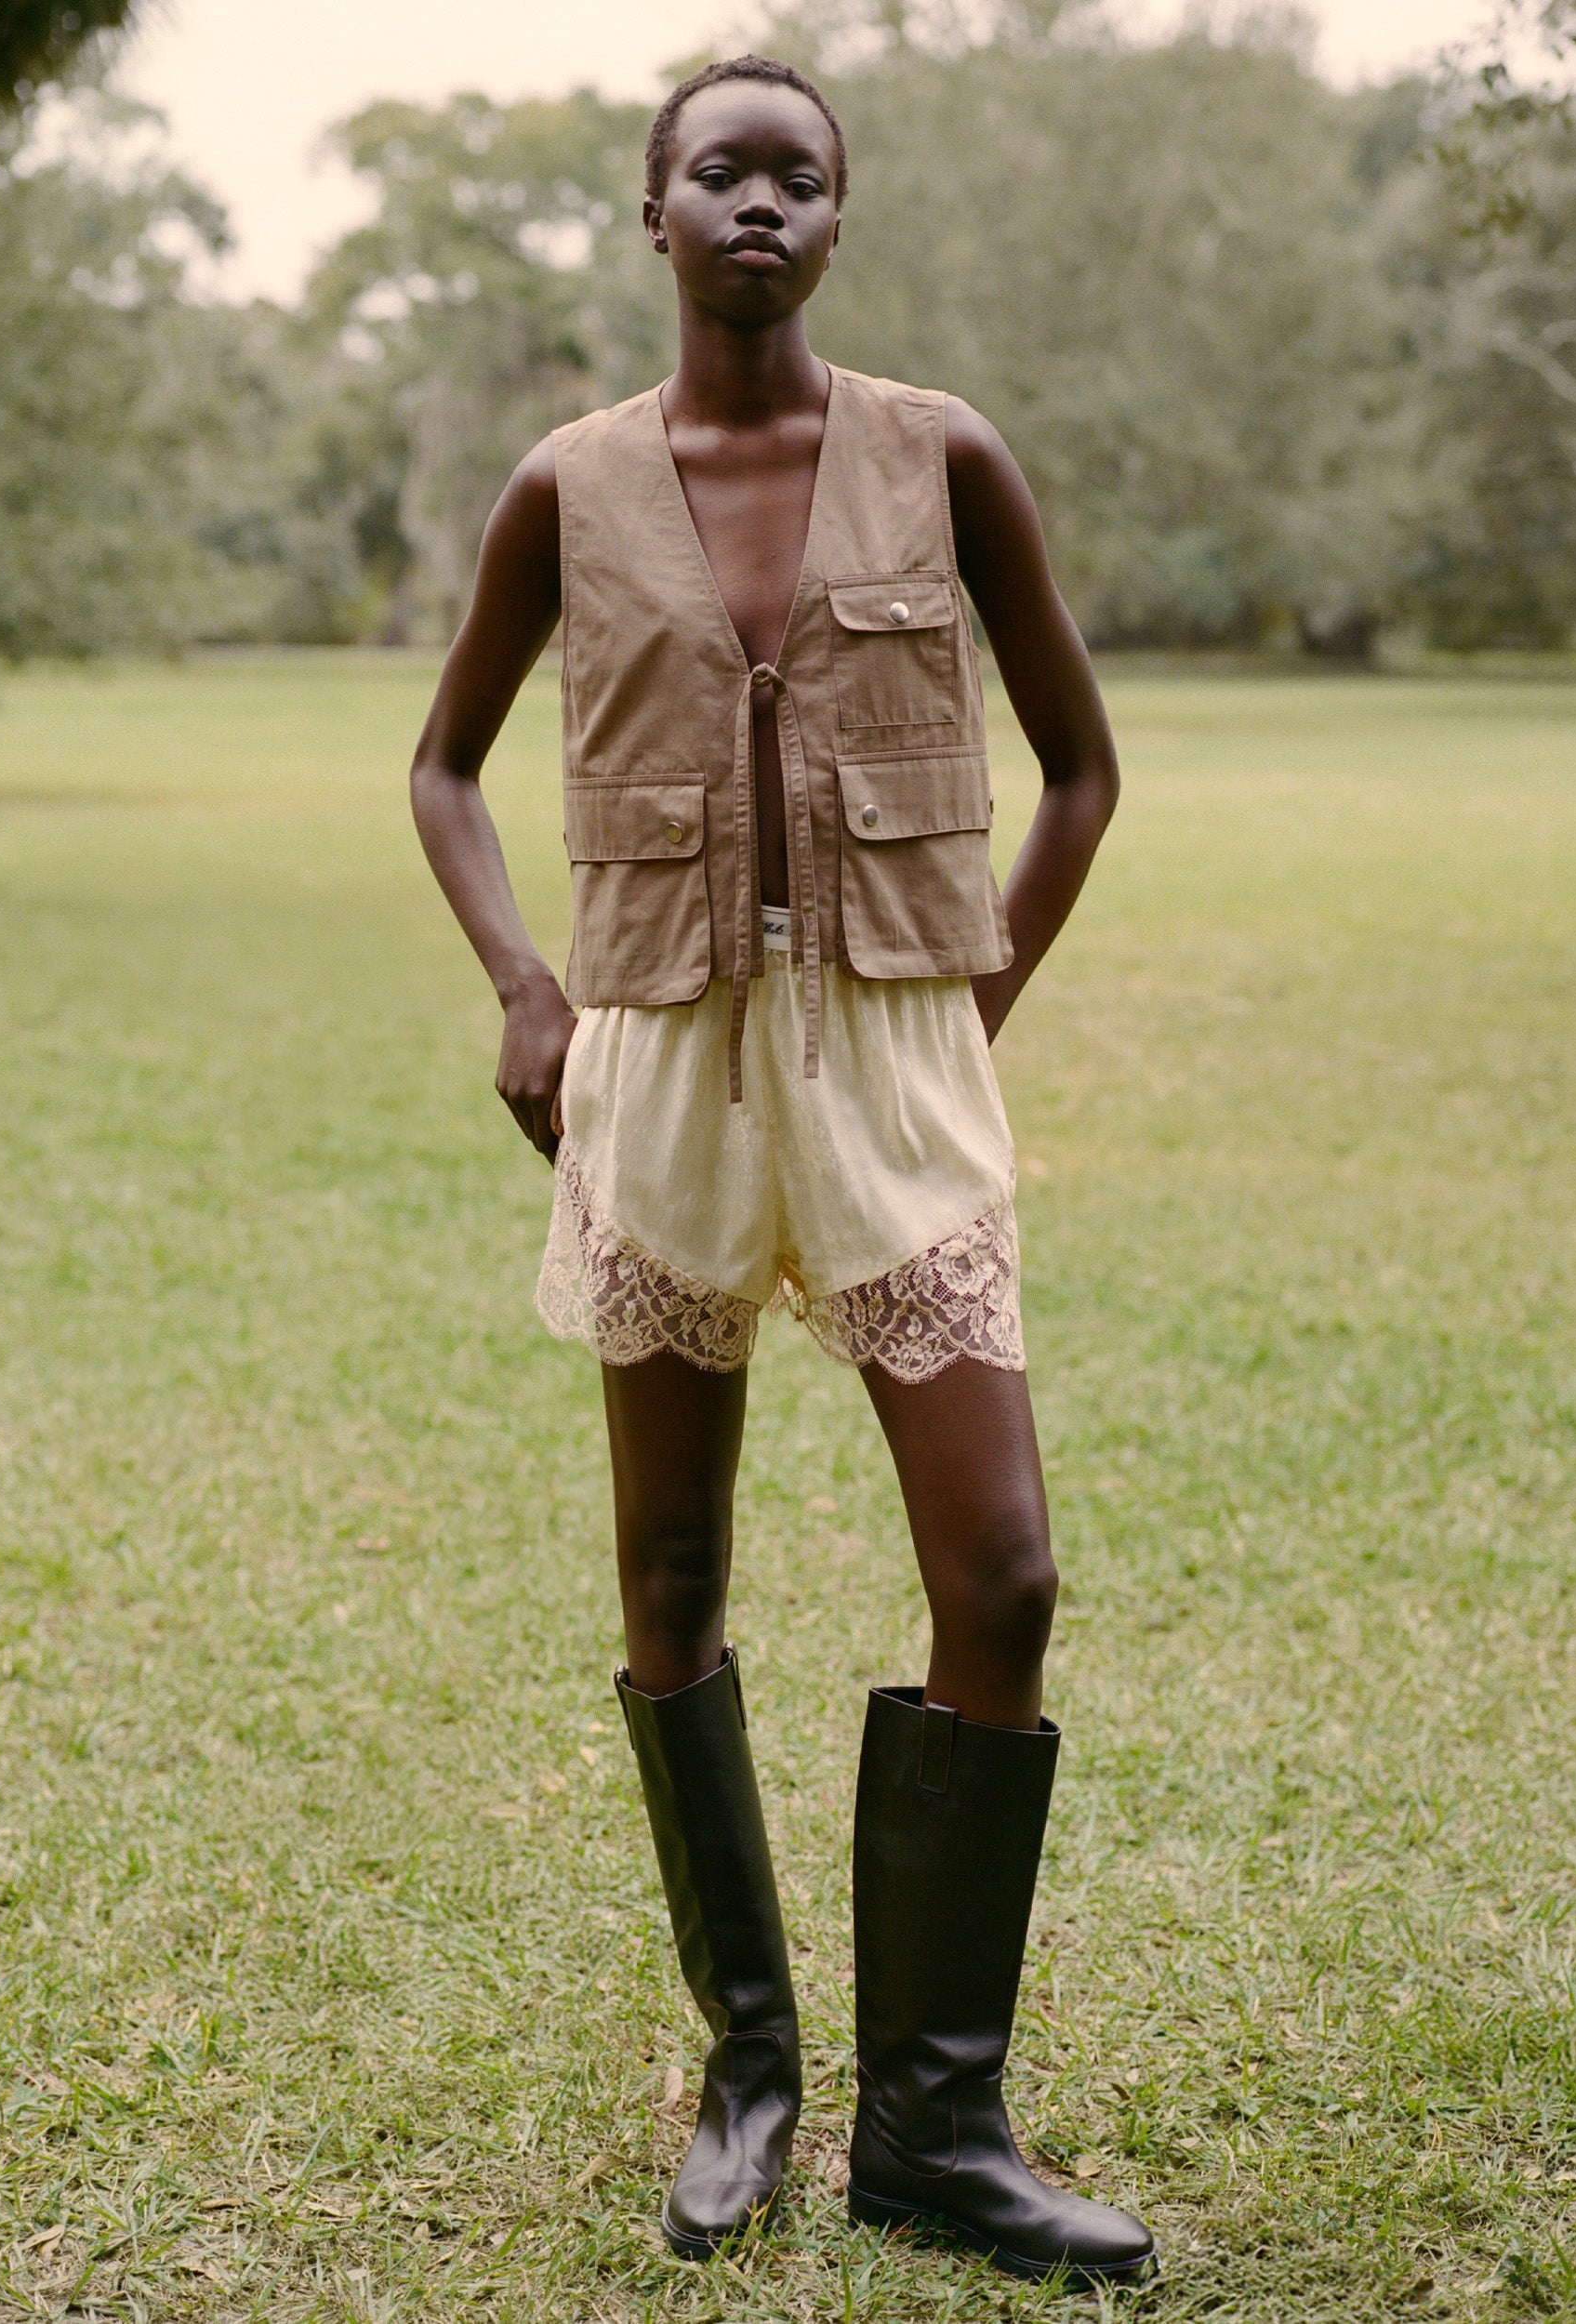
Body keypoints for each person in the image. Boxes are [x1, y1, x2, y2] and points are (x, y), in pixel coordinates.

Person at [409, 52, 1155, 2290]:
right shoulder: (569, 481)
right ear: (653, 214)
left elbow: (1087, 771)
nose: (759, 202)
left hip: (894, 1060)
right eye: (718, 171)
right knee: (668, 1572)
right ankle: (752, 2070)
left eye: (797, 175)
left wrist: (964, 1001)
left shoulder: (945, 457)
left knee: (1002, 1574)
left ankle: (941, 2120)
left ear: (839, 220)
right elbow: (443, 765)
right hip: (658, 1057)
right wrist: (529, 993)